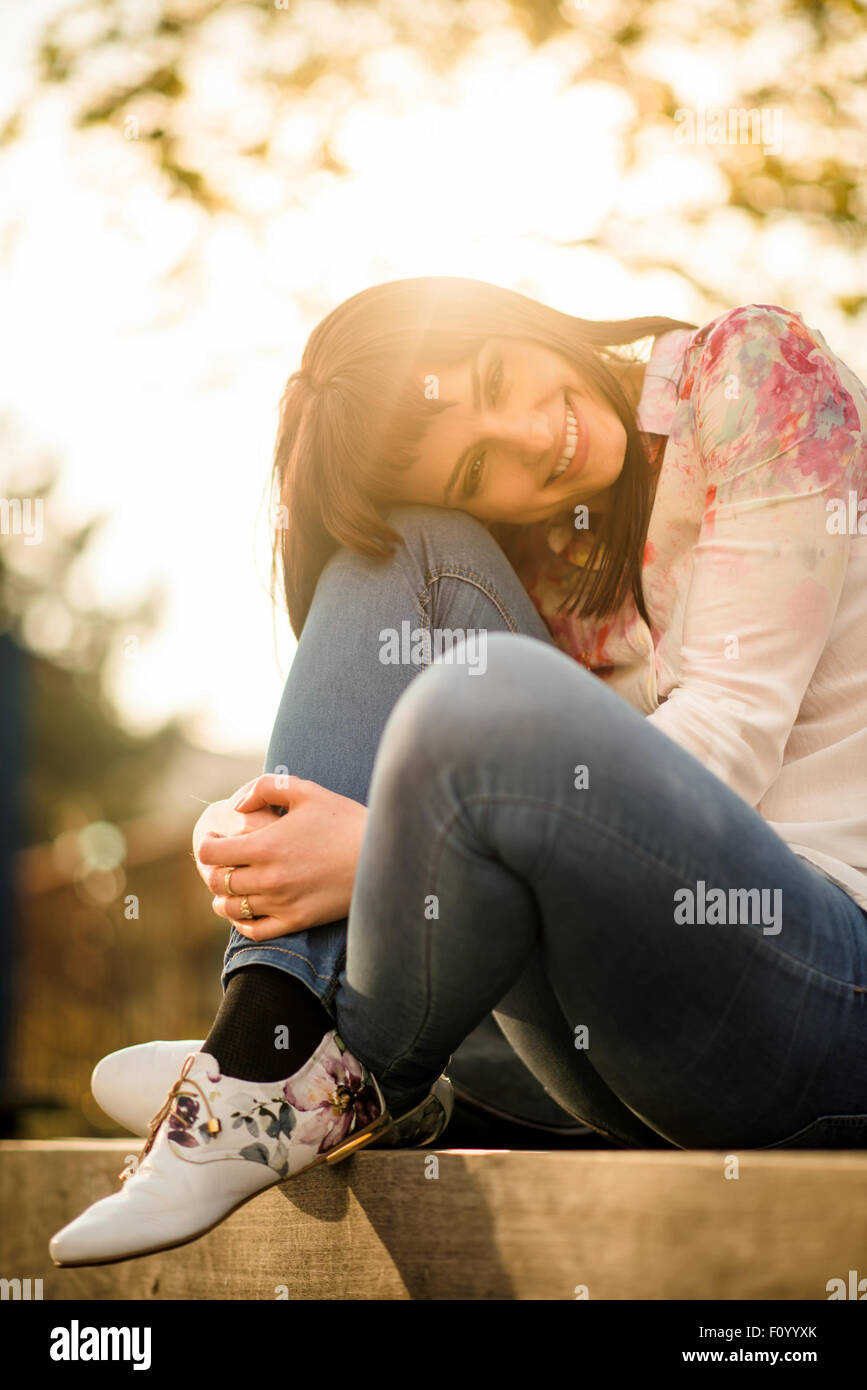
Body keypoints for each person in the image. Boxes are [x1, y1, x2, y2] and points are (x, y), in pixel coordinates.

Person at [50, 278, 867, 1267]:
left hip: (823, 998)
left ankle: (283, 1073)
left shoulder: (751, 372)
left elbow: (727, 738)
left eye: (496, 374)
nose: (533, 436)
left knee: (481, 699)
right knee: (398, 556)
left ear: (509, 315)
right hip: (615, 1063)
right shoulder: (539, 544)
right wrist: (257, 835)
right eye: (480, 466)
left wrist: (375, 848)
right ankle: (277, 1041)